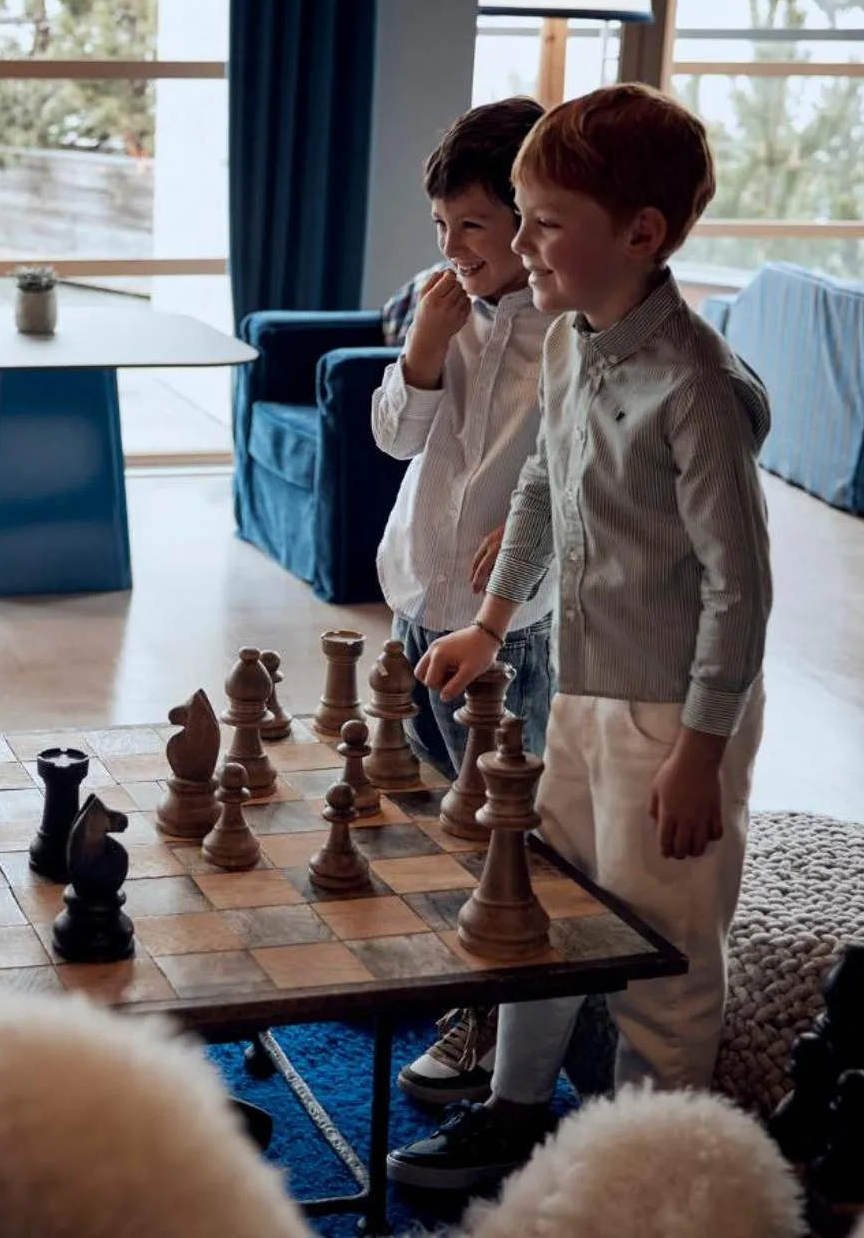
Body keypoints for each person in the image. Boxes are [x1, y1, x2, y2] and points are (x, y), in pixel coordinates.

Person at [387, 83, 774, 1192]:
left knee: (663, 954)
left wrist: (700, 751)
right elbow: (547, 491)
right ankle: (514, 1117)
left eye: (540, 221)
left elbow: (737, 592)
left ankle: (643, 1175)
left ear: (640, 235)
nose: (514, 242)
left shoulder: (694, 386)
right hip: (580, 694)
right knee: (538, 907)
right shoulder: (566, 345)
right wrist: (492, 627)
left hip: (674, 718)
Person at [371, 97, 556, 1106]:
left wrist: (537, 539)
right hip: (416, 596)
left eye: (472, 228)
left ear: (529, 220)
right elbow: (395, 439)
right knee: (436, 810)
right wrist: (422, 354)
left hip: (507, 628)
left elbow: (594, 479)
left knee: (500, 825)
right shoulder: (439, 306)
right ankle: (458, 983)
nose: (451, 247)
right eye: (440, 227)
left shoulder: (571, 330)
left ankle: (487, 1022)